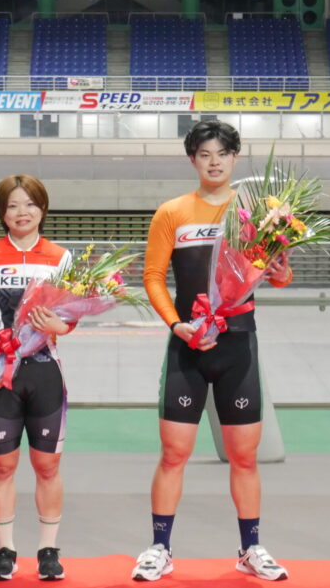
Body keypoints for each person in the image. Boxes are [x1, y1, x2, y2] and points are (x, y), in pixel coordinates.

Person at [132, 120, 293, 582]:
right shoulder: (172, 212)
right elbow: (152, 277)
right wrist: (176, 325)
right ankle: (159, 549)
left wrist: (281, 271)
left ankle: (251, 549)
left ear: (235, 158)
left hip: (238, 345)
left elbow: (280, 276)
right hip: (187, 347)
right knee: (173, 453)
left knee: (244, 457)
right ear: (193, 160)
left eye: (222, 153)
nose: (214, 162)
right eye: (205, 154)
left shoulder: (258, 214)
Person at [0, 175, 74, 582]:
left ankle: (48, 551)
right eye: (12, 206)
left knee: (47, 465)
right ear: (1, 213)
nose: (22, 213)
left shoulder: (60, 257)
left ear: (43, 208)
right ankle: (4, 552)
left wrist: (62, 326)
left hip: (45, 372)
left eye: (29, 204)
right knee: (2, 466)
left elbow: (71, 314)